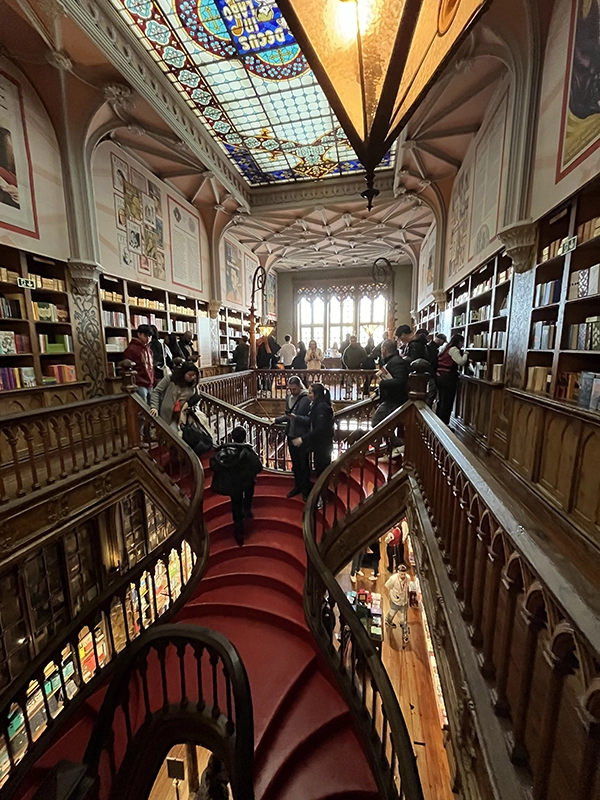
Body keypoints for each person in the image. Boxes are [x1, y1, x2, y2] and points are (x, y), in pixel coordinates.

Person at [210, 426, 263, 546]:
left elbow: (214, 464)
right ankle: (248, 510)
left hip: (233, 484)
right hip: (246, 481)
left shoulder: (224, 451)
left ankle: (238, 532)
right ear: (244, 438)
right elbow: (258, 467)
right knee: (249, 490)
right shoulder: (247, 451)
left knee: (236, 505)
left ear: (232, 437)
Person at [274, 376, 311, 499]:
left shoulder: (306, 399)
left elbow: (310, 419)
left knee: (303, 464)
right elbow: (288, 414)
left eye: (294, 389)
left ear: (300, 387)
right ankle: (297, 486)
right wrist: (277, 420)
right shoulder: (289, 397)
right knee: (295, 464)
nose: (292, 392)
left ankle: (306, 491)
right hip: (290, 434)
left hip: (301, 436)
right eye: (290, 389)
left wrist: (297, 418)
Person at [291, 383, 334, 479]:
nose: (308, 394)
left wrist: (303, 438)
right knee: (319, 468)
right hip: (320, 444)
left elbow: (320, 428)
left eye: (310, 393)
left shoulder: (321, 408)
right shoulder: (317, 405)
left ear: (317, 394)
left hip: (323, 445)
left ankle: (322, 492)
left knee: (322, 470)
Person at [149, 361, 199, 431]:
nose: (192, 377)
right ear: (183, 373)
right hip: (168, 414)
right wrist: (154, 407)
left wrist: (193, 408)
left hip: (183, 416)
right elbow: (157, 392)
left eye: (194, 375)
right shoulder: (170, 379)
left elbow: (196, 399)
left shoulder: (193, 386)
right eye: (189, 375)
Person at [371, 339, 408, 426]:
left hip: (394, 400)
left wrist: (381, 384)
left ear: (384, 350)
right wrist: (377, 391)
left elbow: (400, 381)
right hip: (390, 399)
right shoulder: (392, 361)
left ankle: (395, 440)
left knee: (376, 423)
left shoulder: (396, 362)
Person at [436, 333, 469, 424]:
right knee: (447, 401)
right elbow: (461, 361)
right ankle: (444, 423)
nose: (462, 345)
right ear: (459, 341)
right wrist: (466, 354)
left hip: (440, 376)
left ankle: (438, 421)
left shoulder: (445, 348)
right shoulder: (454, 349)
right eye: (462, 342)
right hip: (448, 378)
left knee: (442, 400)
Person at [122, 324, 154, 404]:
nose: (148, 339)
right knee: (143, 408)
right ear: (139, 334)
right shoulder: (132, 349)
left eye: (150, 336)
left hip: (150, 383)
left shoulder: (148, 349)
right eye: (145, 335)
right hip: (139, 383)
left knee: (152, 408)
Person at [385, 565, 414, 640]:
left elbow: (408, 588)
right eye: (401, 574)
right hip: (395, 600)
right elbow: (387, 586)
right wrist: (392, 595)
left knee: (404, 619)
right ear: (398, 572)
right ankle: (388, 621)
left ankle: (405, 633)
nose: (403, 576)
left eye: (404, 574)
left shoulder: (408, 578)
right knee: (392, 613)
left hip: (404, 601)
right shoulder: (393, 579)